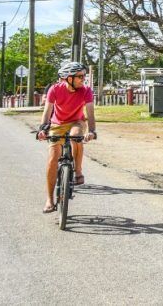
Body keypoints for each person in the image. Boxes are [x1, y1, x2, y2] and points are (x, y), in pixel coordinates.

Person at [37, 61, 97, 213]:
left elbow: (90, 113)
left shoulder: (86, 90)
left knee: (76, 136)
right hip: (57, 124)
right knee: (52, 158)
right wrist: (43, 129)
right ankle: (50, 199)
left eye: (84, 75)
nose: (83, 79)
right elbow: (47, 111)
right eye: (79, 76)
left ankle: (77, 171)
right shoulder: (54, 89)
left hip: (76, 122)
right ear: (68, 78)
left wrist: (92, 131)